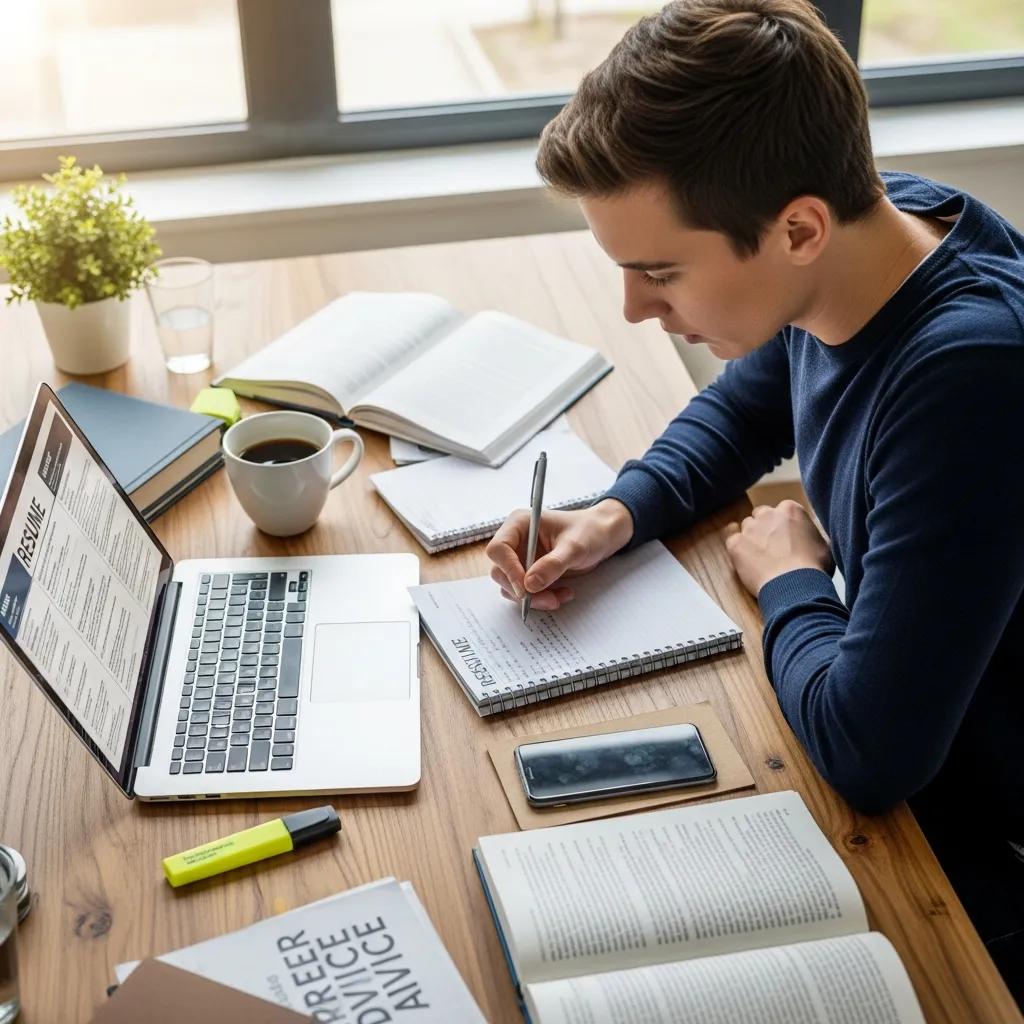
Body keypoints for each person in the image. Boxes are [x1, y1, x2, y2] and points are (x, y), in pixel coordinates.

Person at [485, 0, 1024, 1001]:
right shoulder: (878, 230)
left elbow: (869, 752)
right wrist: (613, 514)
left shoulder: (970, 378)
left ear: (797, 229)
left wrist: (791, 579)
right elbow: (746, 410)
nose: (637, 310)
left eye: (659, 272)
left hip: (981, 832)